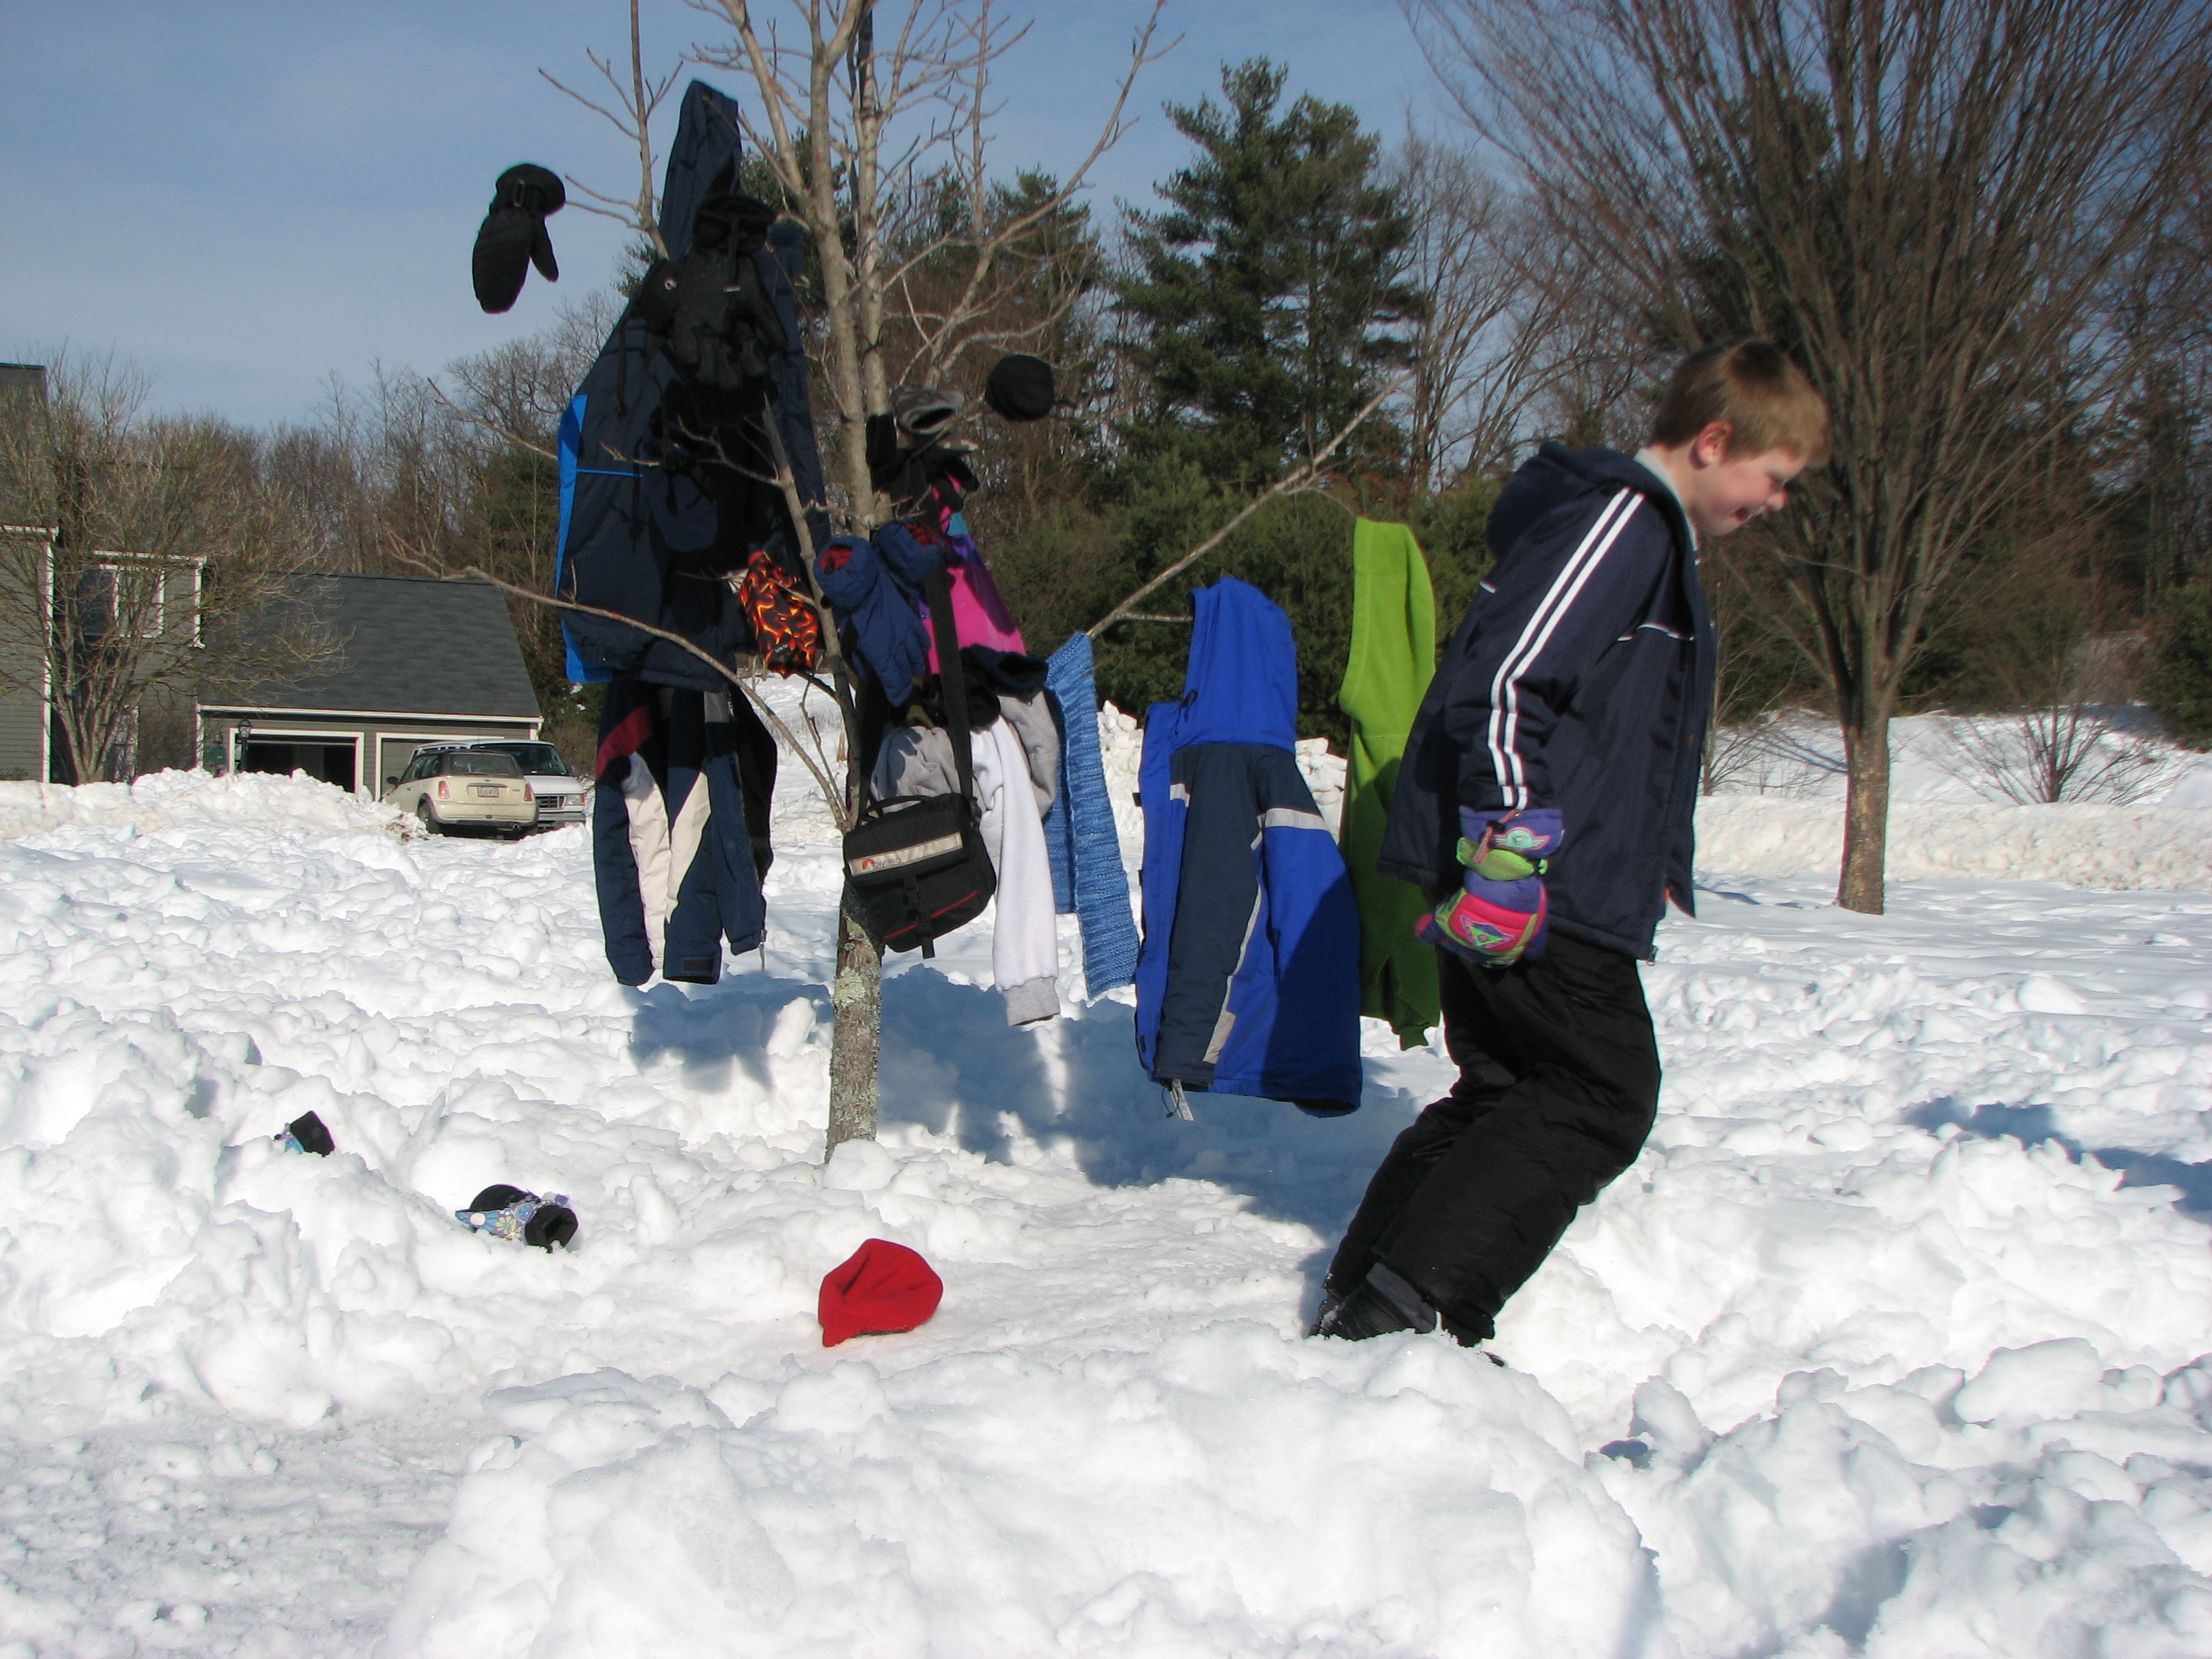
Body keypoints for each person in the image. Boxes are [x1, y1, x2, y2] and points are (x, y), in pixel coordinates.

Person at [1312, 339, 1829, 1346]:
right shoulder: (1622, 521)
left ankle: (1366, 1295)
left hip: (1549, 866)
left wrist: (1644, 856)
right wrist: (1510, 845)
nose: (1774, 503)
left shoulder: (1639, 537)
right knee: (1601, 1091)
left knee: (1509, 1086)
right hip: (1535, 872)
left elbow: (1616, 724)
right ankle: (1409, 1309)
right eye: (1772, 477)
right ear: (1714, 439)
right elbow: (1505, 681)